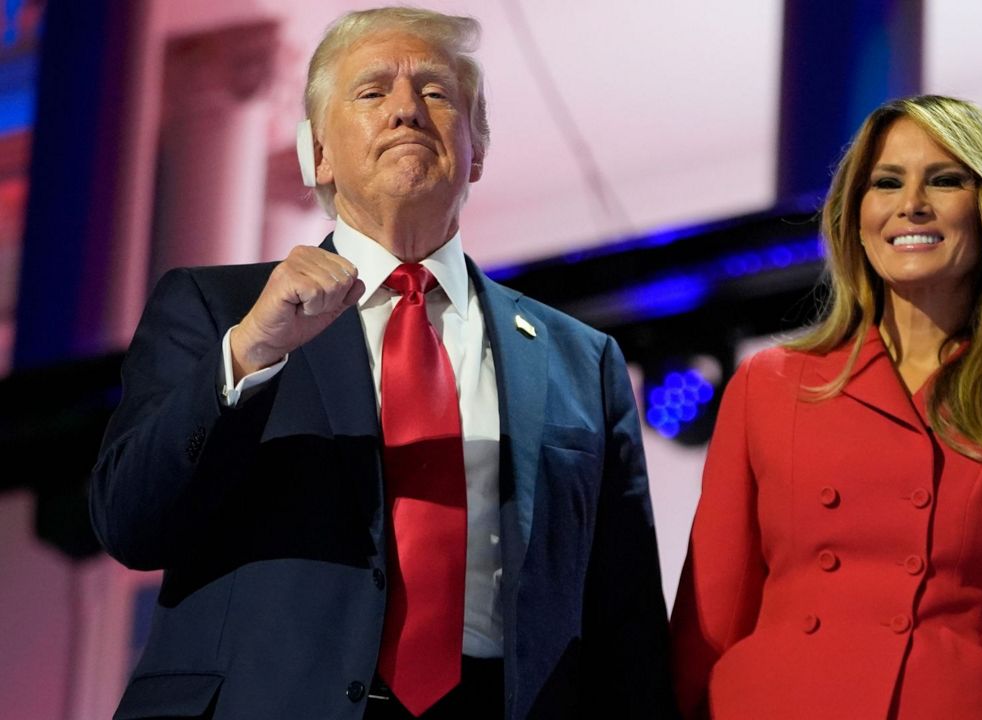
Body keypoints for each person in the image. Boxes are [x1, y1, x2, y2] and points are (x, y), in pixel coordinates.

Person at [91, 7, 674, 719]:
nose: (406, 110)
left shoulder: (583, 361)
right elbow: (130, 524)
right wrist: (249, 353)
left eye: (435, 92)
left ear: (477, 147)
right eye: (372, 93)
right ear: (320, 155)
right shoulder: (220, 309)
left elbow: (629, 623)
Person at [669, 95, 982, 719]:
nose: (911, 203)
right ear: (856, 215)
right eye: (887, 182)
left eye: (944, 180)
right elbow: (706, 623)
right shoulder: (768, 385)